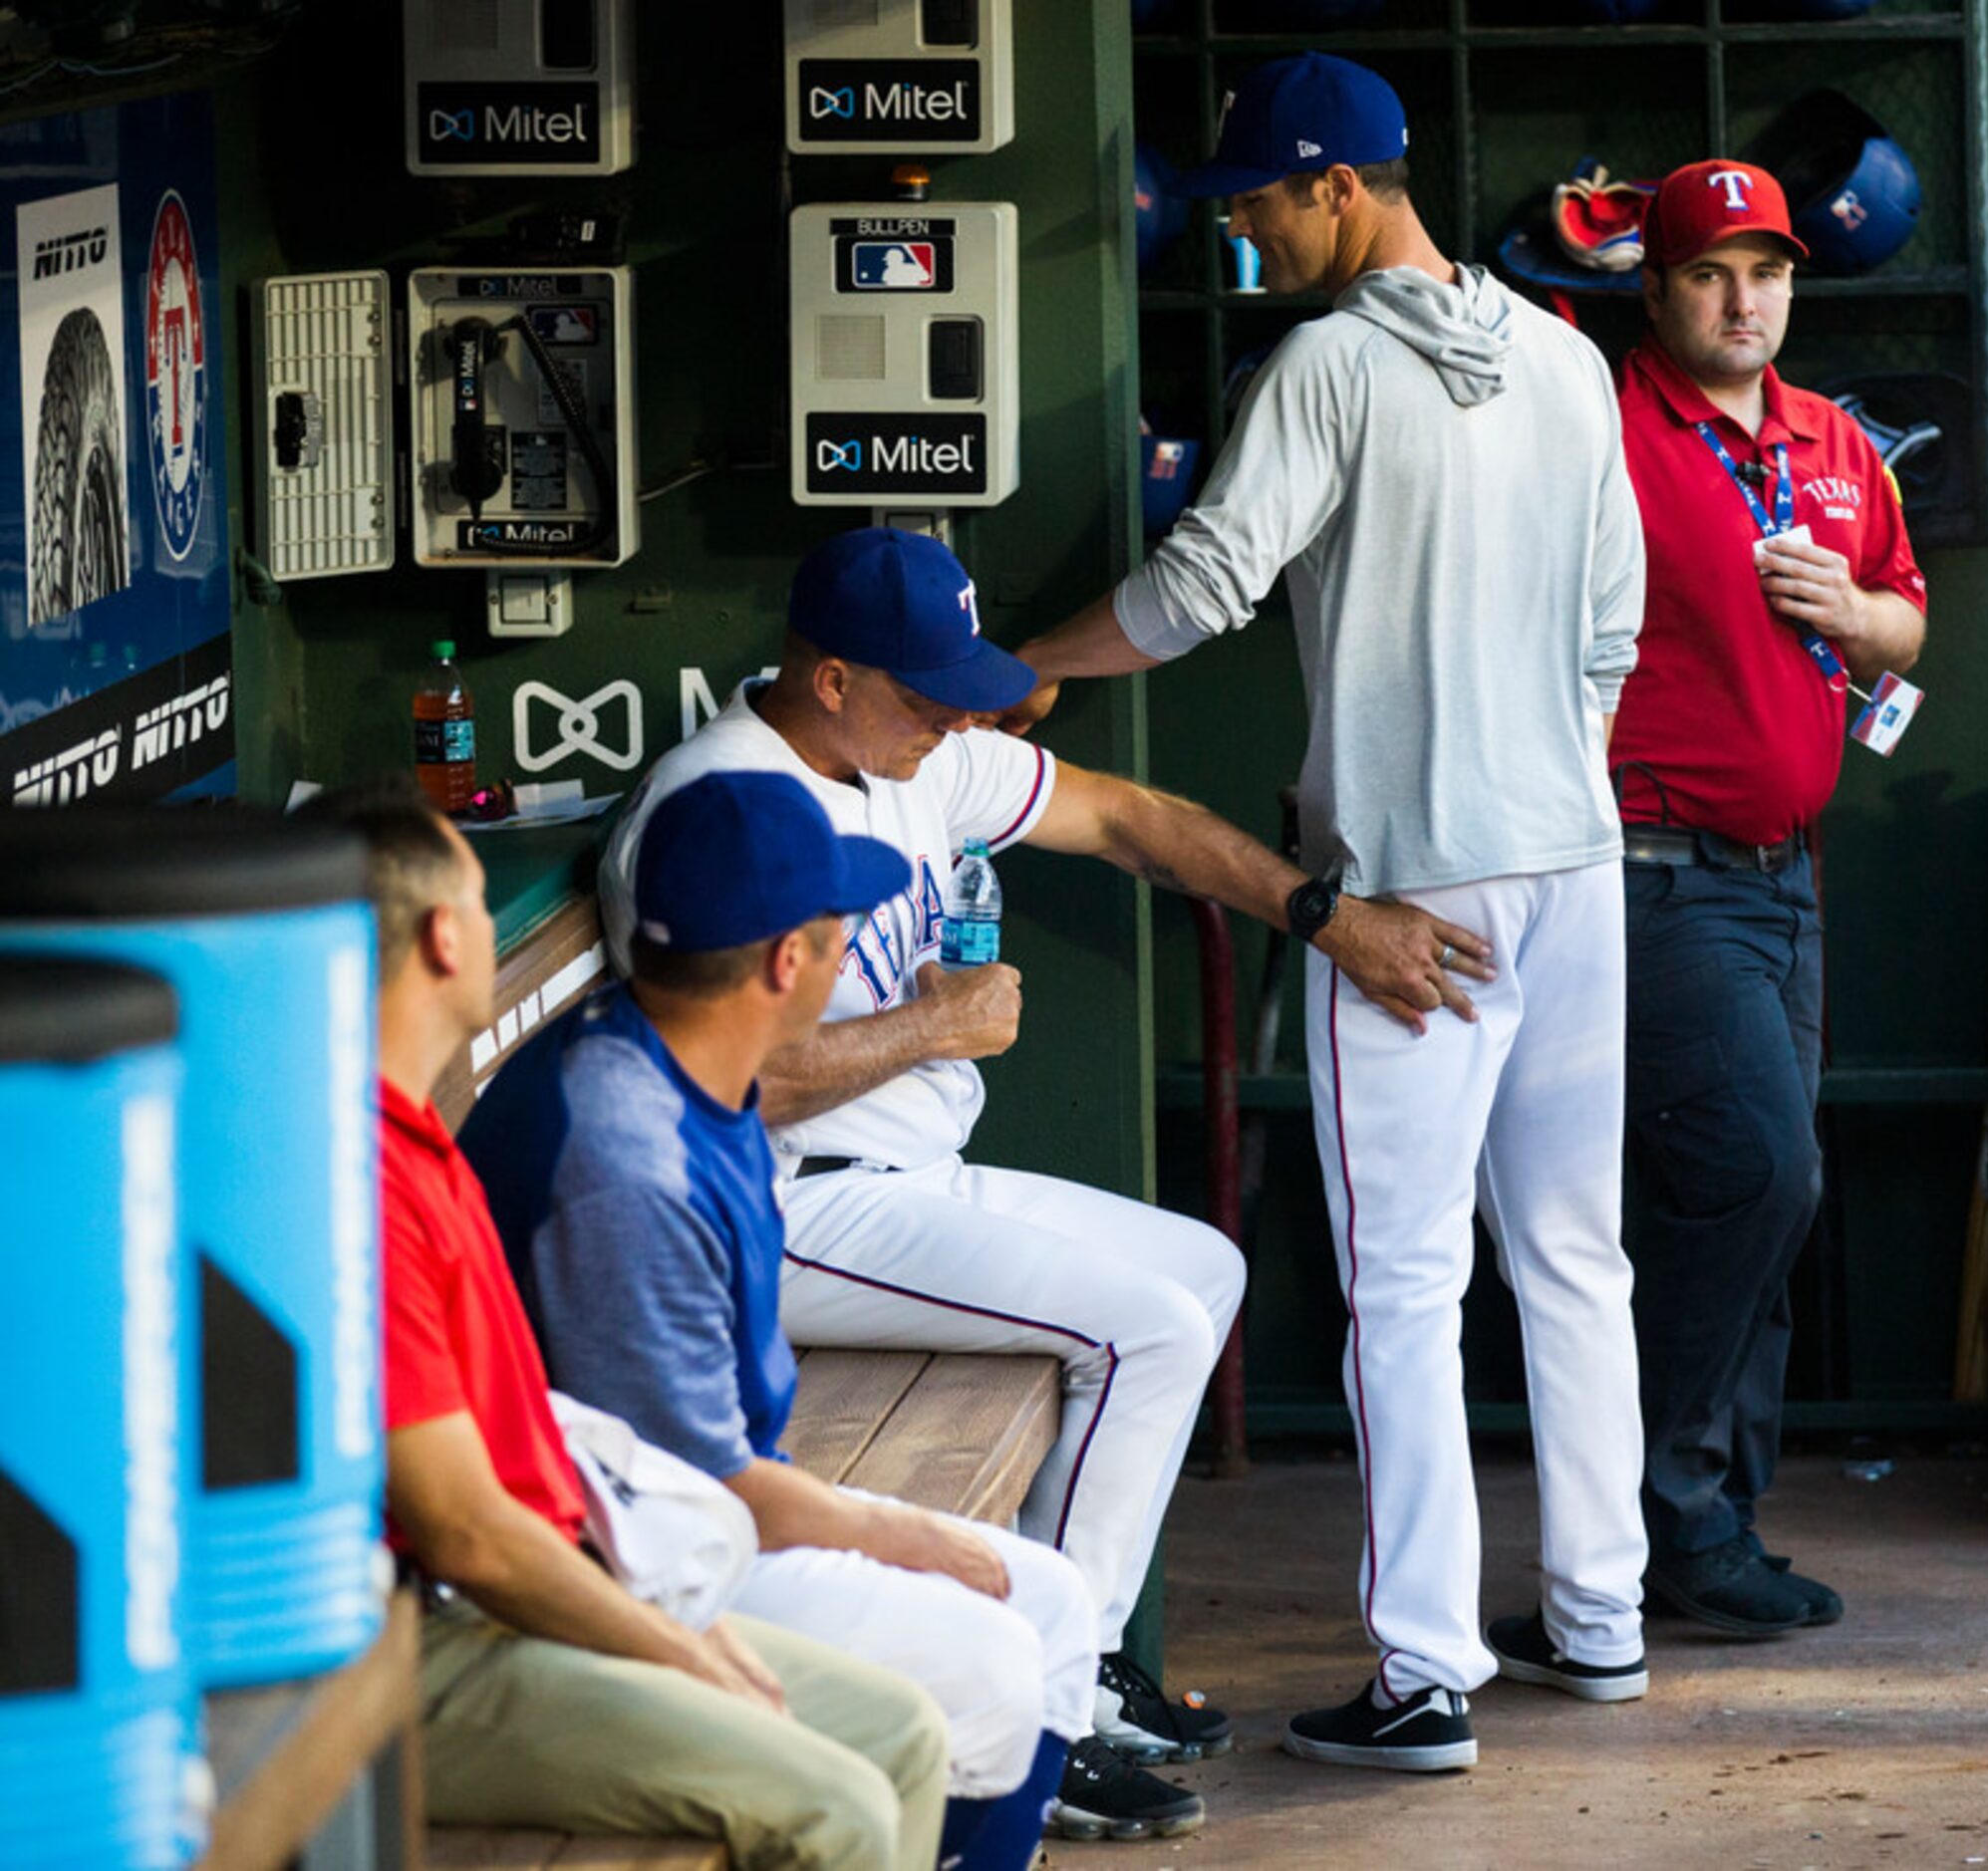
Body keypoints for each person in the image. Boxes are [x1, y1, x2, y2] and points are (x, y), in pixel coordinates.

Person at [583, 528, 1478, 1815]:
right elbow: (706, 1076)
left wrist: (1319, 916)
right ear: (831, 677)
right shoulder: (720, 806)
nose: (953, 715)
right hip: (775, 1200)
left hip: (901, 1174)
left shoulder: (912, 757)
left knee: (1201, 1267)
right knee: (1143, 1331)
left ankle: (1083, 1654)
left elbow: (1132, 816)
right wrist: (931, 1026)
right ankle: (1044, 1709)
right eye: (923, 690)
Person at [1010, 52, 1652, 1770]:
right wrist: (1532, 788)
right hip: (1570, 868)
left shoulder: (1324, 365)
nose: (1242, 235)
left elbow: (1195, 590)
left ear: (1341, 188)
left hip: (1405, 895)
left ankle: (1425, 1673)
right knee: (1572, 1257)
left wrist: (1018, 664)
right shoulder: (1569, 356)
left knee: (1404, 1283)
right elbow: (1613, 630)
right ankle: (1600, 1616)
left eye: (1258, 205)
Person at [461, 767, 1129, 1855]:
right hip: (606, 1562)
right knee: (1005, 1654)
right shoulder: (625, 1161)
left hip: (675, 1504)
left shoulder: (677, 1060)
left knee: (1048, 1600)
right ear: (787, 962)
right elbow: (693, 1493)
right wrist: (897, 1530)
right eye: (836, 926)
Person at [305, 776, 949, 1870]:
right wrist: (671, 1645)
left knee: (903, 1733)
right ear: (447, 944)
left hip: (539, 1576)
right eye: (475, 894)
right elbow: (464, 1533)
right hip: (411, 1641)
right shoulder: (349, 1173)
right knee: (834, 1806)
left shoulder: (412, 1137)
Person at [1606, 158, 1927, 1637]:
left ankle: (1713, 1519)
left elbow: (1903, 624)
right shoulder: (1600, 431)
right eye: (1707, 273)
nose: (1744, 300)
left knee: (1749, 1197)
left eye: (1768, 270)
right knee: (1755, 1176)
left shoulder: (1831, 442)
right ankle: (1666, 1520)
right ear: (1654, 288)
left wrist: (1850, 616)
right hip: (1647, 867)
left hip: (1788, 874)